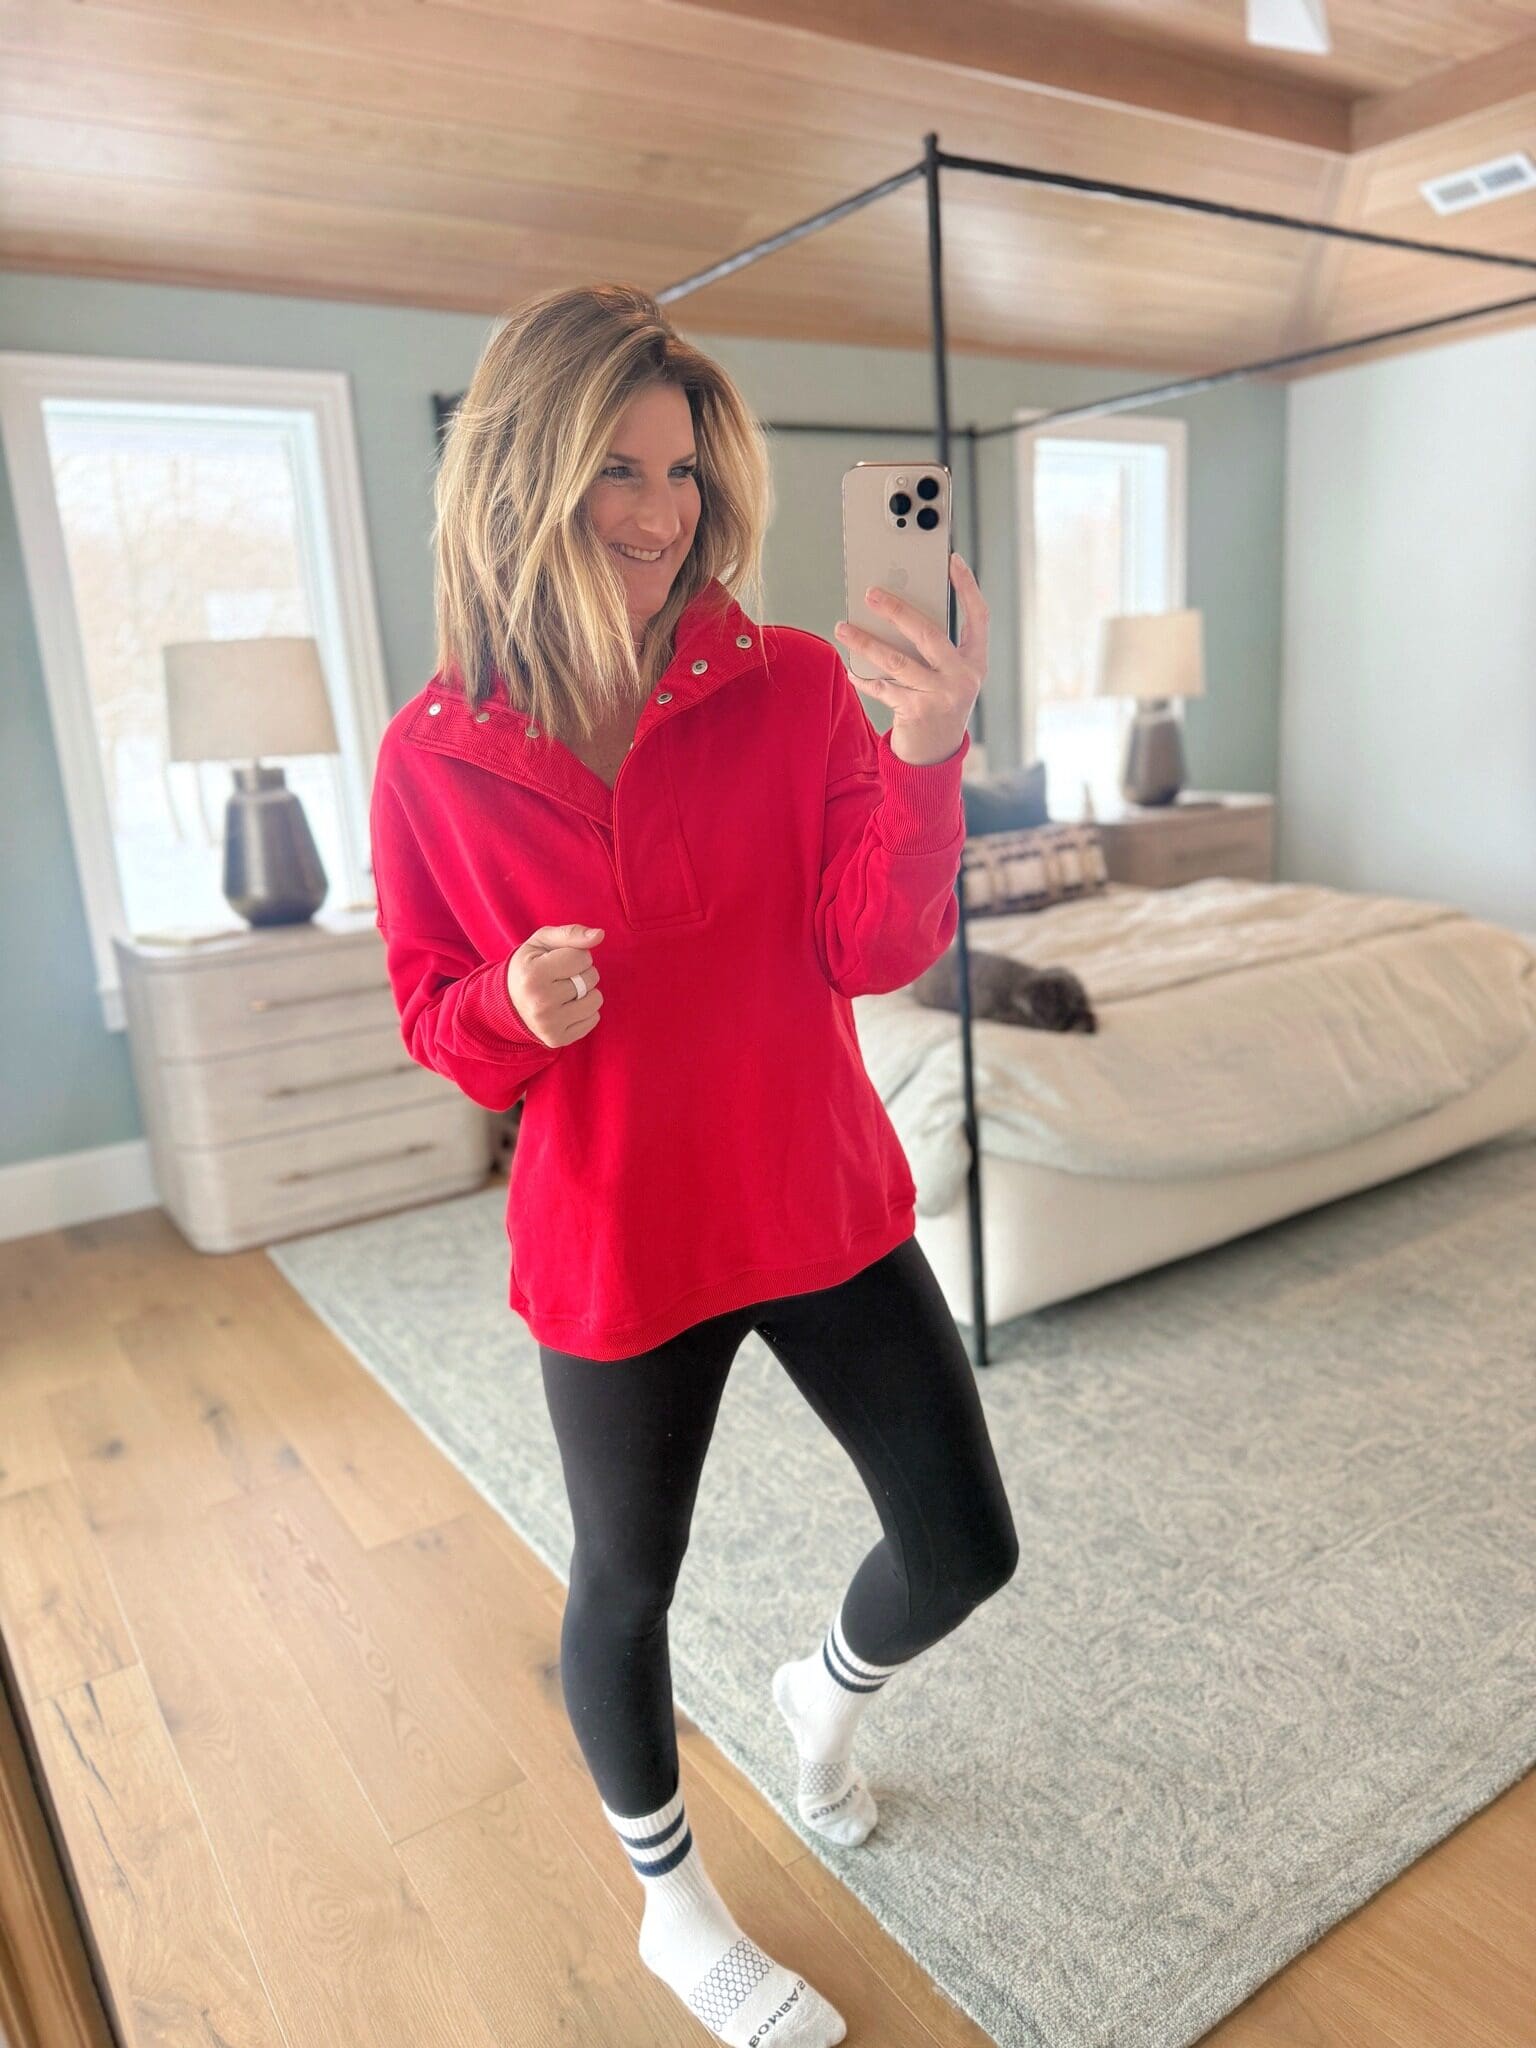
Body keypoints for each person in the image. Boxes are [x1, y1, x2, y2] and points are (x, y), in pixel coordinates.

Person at [370, 283, 1019, 2048]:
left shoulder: (799, 684)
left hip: (819, 1200)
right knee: (625, 1586)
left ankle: (823, 1698)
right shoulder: (434, 753)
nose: (660, 512)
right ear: (523, 479)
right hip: (618, 1238)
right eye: (615, 470)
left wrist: (928, 752)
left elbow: (872, 945)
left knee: (964, 1547)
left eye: (680, 471)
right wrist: (507, 1006)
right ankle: (674, 1911)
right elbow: (433, 1017)